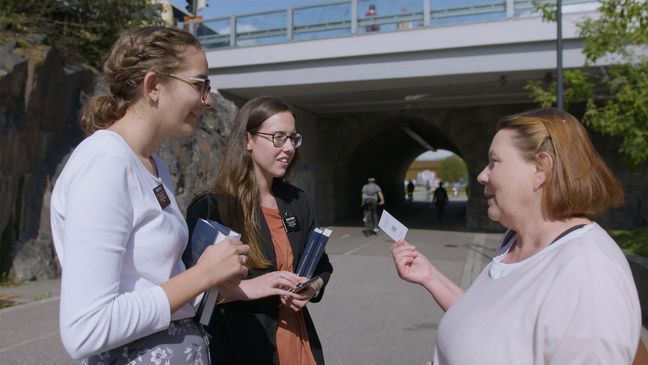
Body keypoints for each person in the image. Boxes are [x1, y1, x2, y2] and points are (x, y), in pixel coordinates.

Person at [50, 26, 250, 364]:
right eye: (199, 84)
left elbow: (150, 282)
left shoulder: (152, 164)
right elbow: (86, 328)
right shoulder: (106, 162)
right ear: (153, 85)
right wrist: (202, 275)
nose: (208, 99)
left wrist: (211, 280)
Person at [391, 108, 641, 364]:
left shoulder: (587, 274)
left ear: (541, 168)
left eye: (494, 162)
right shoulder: (515, 243)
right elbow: (494, 325)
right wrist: (431, 277)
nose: (482, 175)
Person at [184, 96, 333, 365]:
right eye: (278, 137)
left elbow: (321, 262)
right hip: (243, 349)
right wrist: (247, 288)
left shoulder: (296, 200)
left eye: (292, 138)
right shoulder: (211, 208)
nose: (288, 148)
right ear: (248, 141)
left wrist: (314, 286)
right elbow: (189, 292)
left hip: (299, 343)